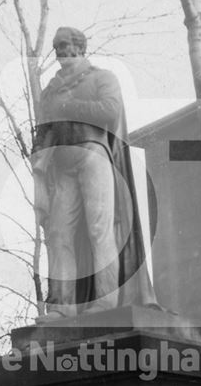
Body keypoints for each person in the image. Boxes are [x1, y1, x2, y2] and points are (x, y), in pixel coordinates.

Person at [32, 26, 154, 317]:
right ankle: (62, 306)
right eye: (57, 46)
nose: (62, 51)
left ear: (79, 46)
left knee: (100, 228)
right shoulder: (49, 91)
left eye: (66, 44)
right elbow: (44, 129)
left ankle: (105, 300)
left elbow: (111, 110)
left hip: (93, 155)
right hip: (61, 166)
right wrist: (38, 155)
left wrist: (70, 106)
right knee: (59, 235)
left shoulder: (102, 77)